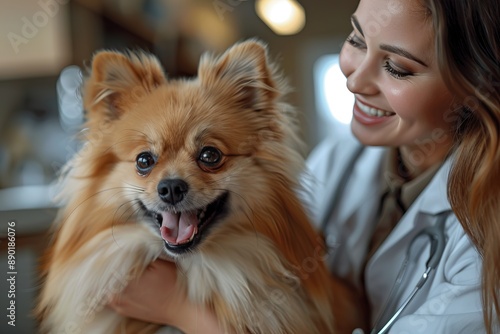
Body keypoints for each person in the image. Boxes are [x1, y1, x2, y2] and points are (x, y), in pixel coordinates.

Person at [109, 0, 500, 333]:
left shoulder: (485, 236)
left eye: (397, 67)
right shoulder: (338, 160)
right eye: (357, 41)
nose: (355, 80)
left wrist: (182, 310)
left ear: (474, 85)